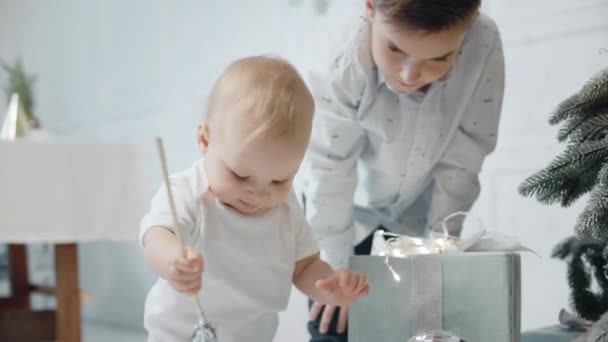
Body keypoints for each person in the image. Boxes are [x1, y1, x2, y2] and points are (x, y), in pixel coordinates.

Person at [298, 0, 505, 340]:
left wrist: (439, 255)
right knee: (335, 326)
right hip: (339, 212)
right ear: (370, 8)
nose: (409, 75)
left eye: (439, 58)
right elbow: (330, 170)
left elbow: (464, 159)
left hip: (418, 210)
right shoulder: (343, 57)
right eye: (394, 48)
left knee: (416, 325)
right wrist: (335, 269)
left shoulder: (483, 43)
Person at [140, 56, 370, 342]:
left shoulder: (285, 210)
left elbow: (305, 266)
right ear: (205, 140)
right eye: (240, 175)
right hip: (179, 336)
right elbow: (156, 236)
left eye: (279, 180)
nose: (259, 194)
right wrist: (173, 260)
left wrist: (328, 286)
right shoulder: (188, 192)